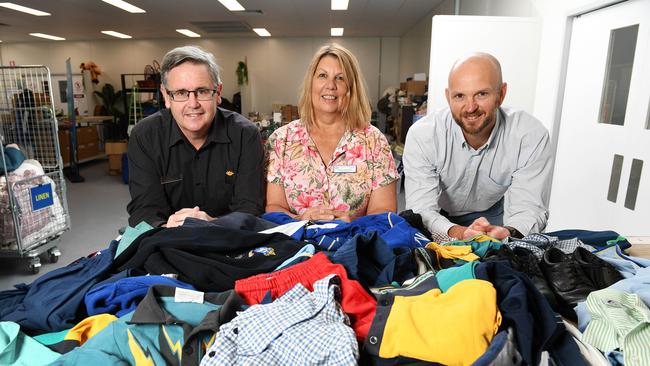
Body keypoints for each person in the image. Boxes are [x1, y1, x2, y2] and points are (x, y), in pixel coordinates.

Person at [403, 52, 552, 240]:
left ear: (501, 94)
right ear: (448, 97)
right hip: (437, 215)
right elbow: (421, 210)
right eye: (459, 96)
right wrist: (460, 233)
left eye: (481, 94)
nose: (470, 107)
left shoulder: (529, 135)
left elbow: (529, 208)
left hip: (492, 216)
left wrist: (509, 232)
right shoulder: (423, 135)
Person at [127, 45, 264, 227]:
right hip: (168, 237)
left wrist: (210, 224)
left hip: (229, 237)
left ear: (218, 93)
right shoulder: (144, 136)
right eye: (181, 93)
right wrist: (167, 228)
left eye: (202, 91)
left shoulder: (245, 135)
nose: (193, 104)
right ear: (166, 96)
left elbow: (250, 208)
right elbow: (144, 209)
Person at [266, 43, 398, 222]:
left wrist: (351, 222)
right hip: (297, 245)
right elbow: (274, 208)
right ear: (310, 83)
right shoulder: (282, 140)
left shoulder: (374, 141)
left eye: (340, 78)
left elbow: (385, 212)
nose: (330, 85)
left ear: (351, 88)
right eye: (322, 76)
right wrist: (300, 218)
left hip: (356, 244)